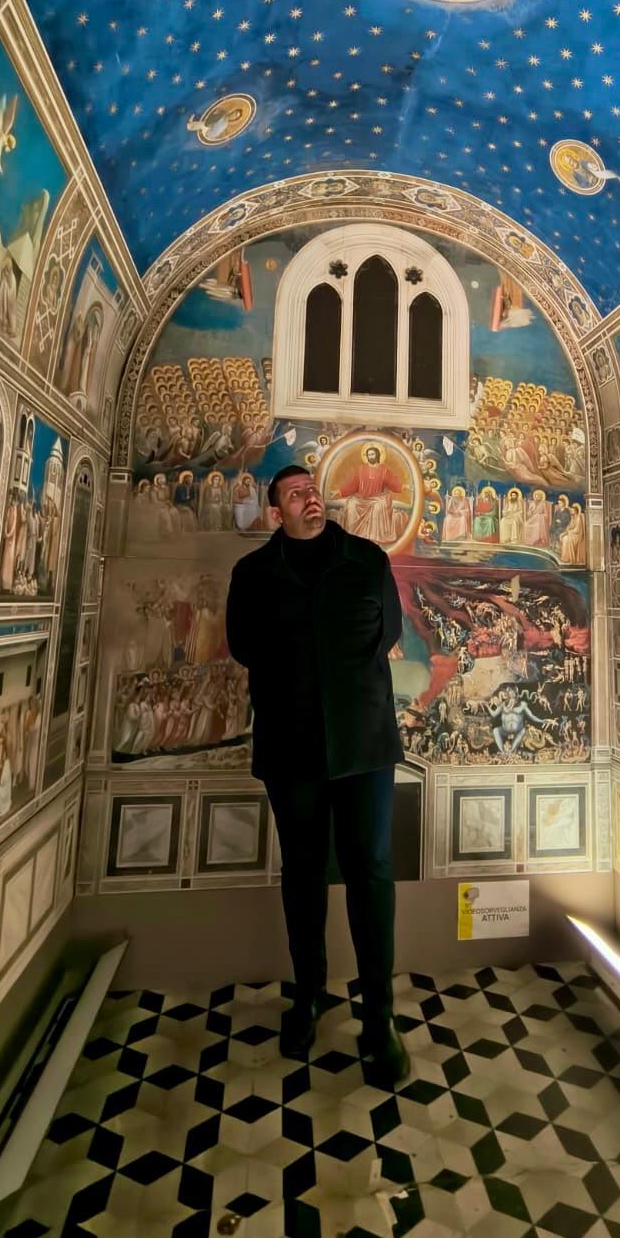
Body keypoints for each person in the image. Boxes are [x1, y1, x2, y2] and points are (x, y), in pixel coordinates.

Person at [225, 464, 409, 1084]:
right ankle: (307, 999)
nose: (311, 498)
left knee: (370, 874)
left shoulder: (367, 561)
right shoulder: (253, 574)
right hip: (292, 747)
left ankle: (379, 1017)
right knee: (303, 874)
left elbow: (388, 631)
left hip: (364, 746)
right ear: (276, 512)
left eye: (313, 490)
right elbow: (244, 646)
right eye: (296, 493)